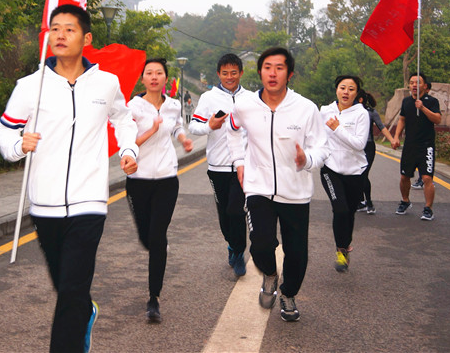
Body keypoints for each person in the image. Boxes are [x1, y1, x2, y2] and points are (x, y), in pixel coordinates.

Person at [0, 4, 138, 353]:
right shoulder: (31, 86)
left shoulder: (106, 83)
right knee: (66, 286)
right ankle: (86, 312)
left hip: (89, 200)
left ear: (86, 38)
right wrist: (17, 144)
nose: (60, 34)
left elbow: (123, 118)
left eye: (69, 29)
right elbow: (3, 131)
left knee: (72, 288)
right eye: (54, 28)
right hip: (45, 204)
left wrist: (128, 149)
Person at [227, 47, 328, 323]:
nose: (273, 73)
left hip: (295, 192)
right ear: (259, 72)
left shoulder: (305, 108)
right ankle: (270, 275)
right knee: (260, 243)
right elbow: (233, 129)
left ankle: (288, 293)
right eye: (267, 67)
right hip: (258, 187)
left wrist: (306, 159)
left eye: (279, 68)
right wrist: (239, 162)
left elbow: (322, 147)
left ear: (290, 74)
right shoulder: (245, 105)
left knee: (297, 253)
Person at [127, 58, 193, 323]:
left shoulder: (174, 105)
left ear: (166, 78)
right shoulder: (133, 106)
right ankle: (158, 244)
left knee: (156, 237)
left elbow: (176, 125)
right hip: (138, 179)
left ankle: (153, 298)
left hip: (167, 177)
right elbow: (128, 141)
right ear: (142, 78)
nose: (154, 77)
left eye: (159, 73)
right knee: (147, 238)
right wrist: (151, 131)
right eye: (149, 73)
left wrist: (183, 137)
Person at [188, 53, 249, 277]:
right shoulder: (208, 98)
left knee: (236, 209)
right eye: (225, 73)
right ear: (218, 74)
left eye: (234, 72)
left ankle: (240, 252)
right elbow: (194, 126)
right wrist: (209, 126)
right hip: (217, 166)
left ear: (241, 73)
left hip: (243, 166)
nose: (230, 77)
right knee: (224, 213)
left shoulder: (250, 98)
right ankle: (232, 244)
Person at [319, 75, 369, 272]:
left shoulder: (361, 114)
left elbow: (359, 144)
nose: (346, 92)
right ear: (336, 90)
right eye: (342, 88)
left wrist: (337, 128)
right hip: (330, 169)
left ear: (356, 93)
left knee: (349, 212)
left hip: (355, 171)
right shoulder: (325, 111)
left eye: (351, 89)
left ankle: (346, 245)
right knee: (339, 209)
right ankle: (341, 251)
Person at [391, 72, 442, 221]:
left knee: (427, 178)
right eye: (412, 83)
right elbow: (402, 119)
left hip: (426, 146)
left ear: (425, 86)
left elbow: (438, 119)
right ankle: (405, 201)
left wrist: (423, 108)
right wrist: (396, 136)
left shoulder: (432, 101)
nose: (414, 85)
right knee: (404, 176)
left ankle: (428, 208)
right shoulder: (406, 102)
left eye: (418, 82)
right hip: (410, 146)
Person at [356, 91, 395, 215]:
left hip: (368, 147)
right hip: (355, 147)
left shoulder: (371, 112)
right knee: (356, 174)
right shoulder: (349, 112)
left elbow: (382, 127)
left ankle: (369, 202)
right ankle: (360, 201)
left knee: (363, 173)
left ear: (360, 99)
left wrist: (392, 140)